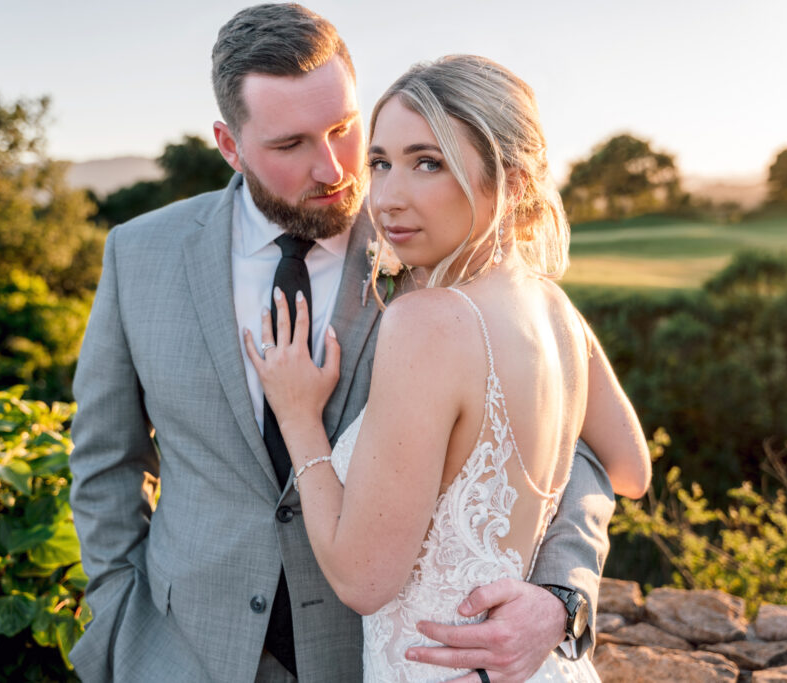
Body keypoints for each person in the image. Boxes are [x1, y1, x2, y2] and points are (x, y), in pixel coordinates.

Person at [68, 5, 621, 682]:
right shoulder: (139, 253)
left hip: (371, 658)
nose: (335, 168)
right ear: (229, 143)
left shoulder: (443, 242)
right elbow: (104, 459)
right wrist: (119, 616)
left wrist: (562, 597)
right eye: (291, 143)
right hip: (180, 651)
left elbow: (574, 442)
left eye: (343, 129)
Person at [244, 54, 650, 682]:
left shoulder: (427, 321)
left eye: (428, 163)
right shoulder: (555, 306)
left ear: (512, 182)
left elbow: (363, 580)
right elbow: (629, 468)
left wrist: (299, 419)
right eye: (379, 163)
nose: (386, 198)